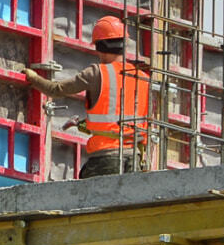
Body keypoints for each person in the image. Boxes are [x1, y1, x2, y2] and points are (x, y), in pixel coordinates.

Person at [23, 16, 151, 178]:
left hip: (106, 159)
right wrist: (84, 125)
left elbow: (55, 89)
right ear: (124, 44)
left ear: (98, 47)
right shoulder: (143, 78)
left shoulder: (96, 73)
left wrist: (32, 77)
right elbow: (122, 118)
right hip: (134, 160)